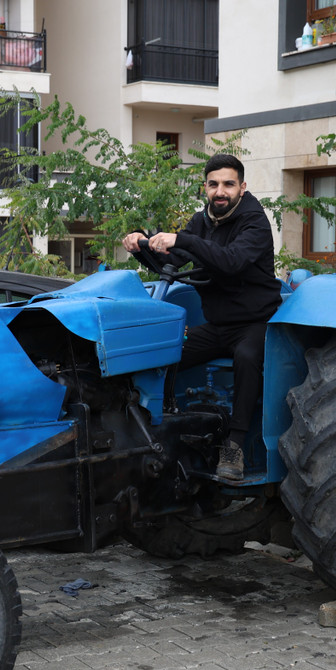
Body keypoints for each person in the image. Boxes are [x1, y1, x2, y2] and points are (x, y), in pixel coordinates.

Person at [121, 153, 282, 480]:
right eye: (213, 184)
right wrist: (141, 246)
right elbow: (173, 261)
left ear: (242, 187)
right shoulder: (202, 221)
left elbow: (231, 261)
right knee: (166, 350)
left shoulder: (254, 222)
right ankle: (162, 424)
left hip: (256, 323)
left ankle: (235, 445)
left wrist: (182, 239)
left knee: (249, 356)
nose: (220, 191)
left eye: (228, 184)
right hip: (217, 326)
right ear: (204, 188)